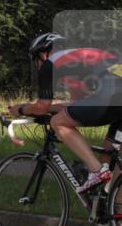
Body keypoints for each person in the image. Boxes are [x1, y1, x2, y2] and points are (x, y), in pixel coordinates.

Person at [9, 33, 122, 194]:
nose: (38, 65)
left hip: (112, 93)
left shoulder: (50, 63)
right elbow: (76, 107)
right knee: (111, 158)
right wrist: (42, 107)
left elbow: (41, 107)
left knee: (58, 122)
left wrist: (21, 109)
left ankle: (96, 171)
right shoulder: (78, 60)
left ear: (42, 54)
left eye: (35, 61)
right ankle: (115, 214)